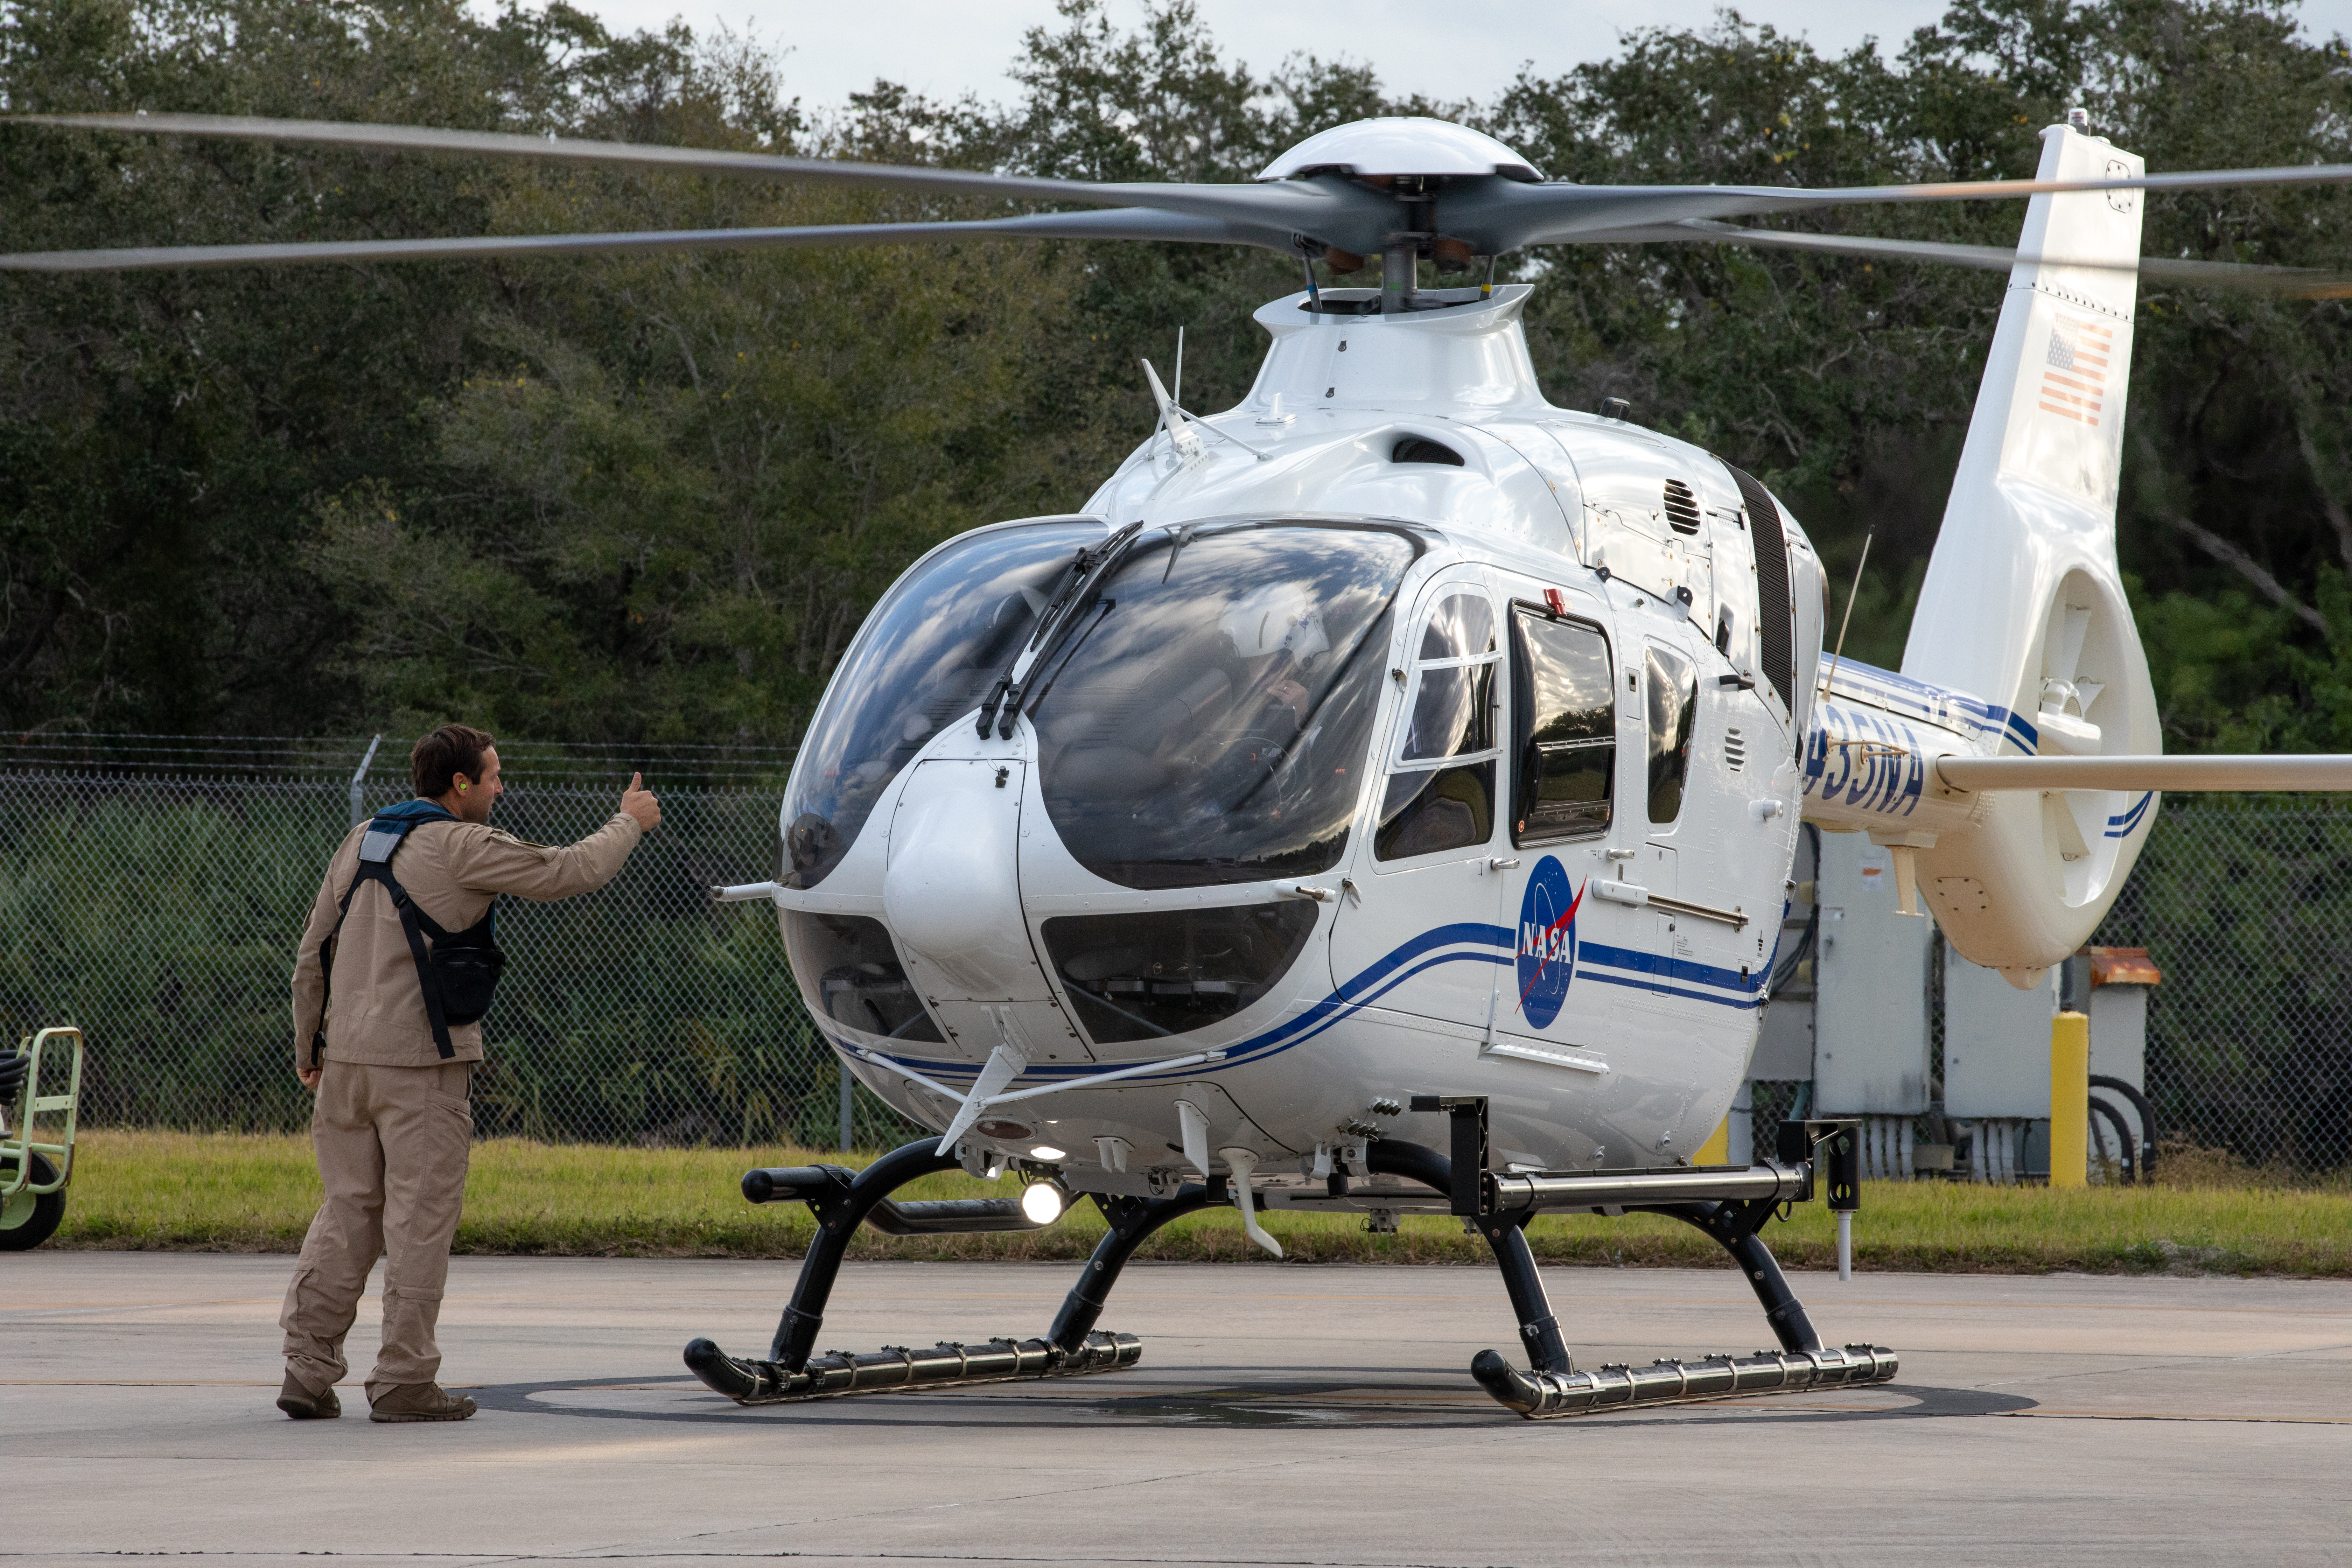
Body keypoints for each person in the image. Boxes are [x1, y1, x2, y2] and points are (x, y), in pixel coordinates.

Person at [279, 725, 660, 1422]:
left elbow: (312, 955)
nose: (500, 786)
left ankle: (306, 1368)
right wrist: (626, 823)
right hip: (421, 1068)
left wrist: (309, 1047)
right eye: (493, 775)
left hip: (343, 1064)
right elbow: (567, 870)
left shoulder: (363, 837)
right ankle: (403, 1380)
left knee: (346, 1210)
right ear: (459, 785)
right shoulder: (461, 846)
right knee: (419, 1220)